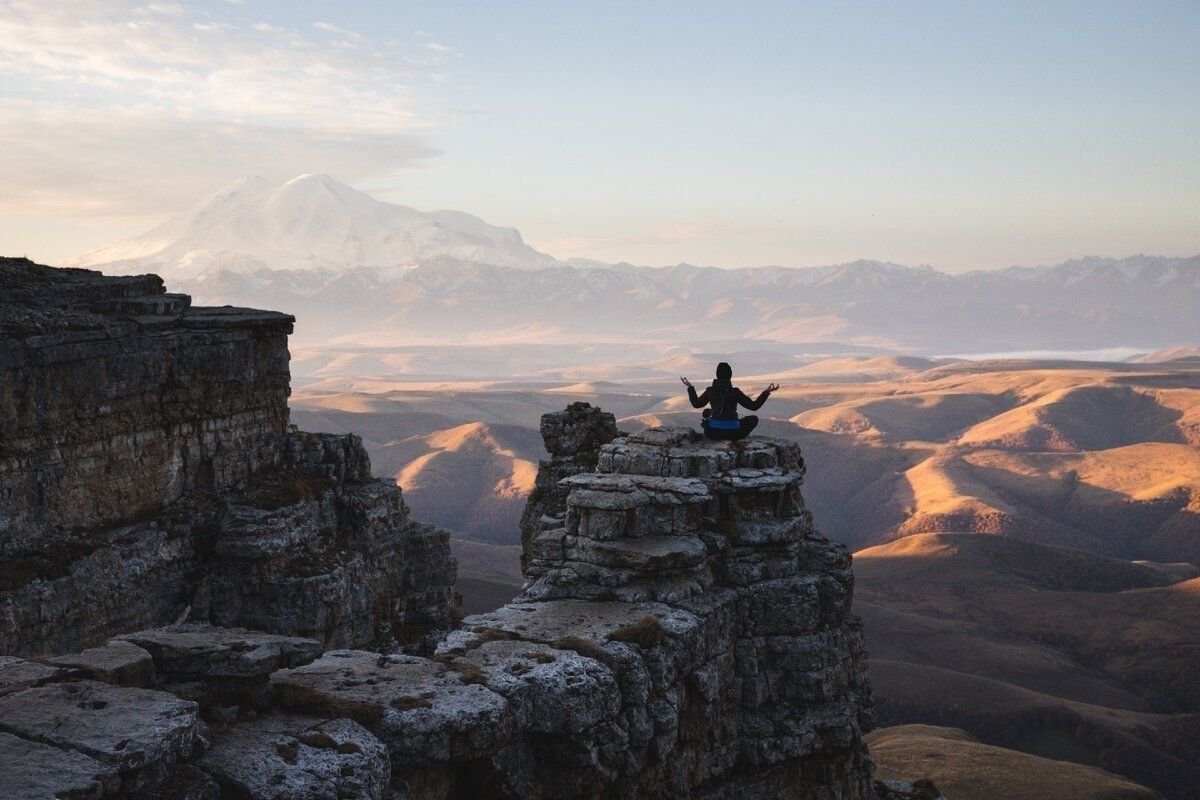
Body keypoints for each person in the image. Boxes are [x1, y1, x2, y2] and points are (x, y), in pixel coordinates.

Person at [681, 362, 780, 441]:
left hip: (712, 433)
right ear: (730, 376)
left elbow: (696, 404)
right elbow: (754, 406)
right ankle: (739, 438)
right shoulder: (735, 392)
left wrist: (690, 387)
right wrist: (766, 392)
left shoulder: (710, 391)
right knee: (753, 419)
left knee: (707, 413)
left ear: (717, 375)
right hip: (733, 434)